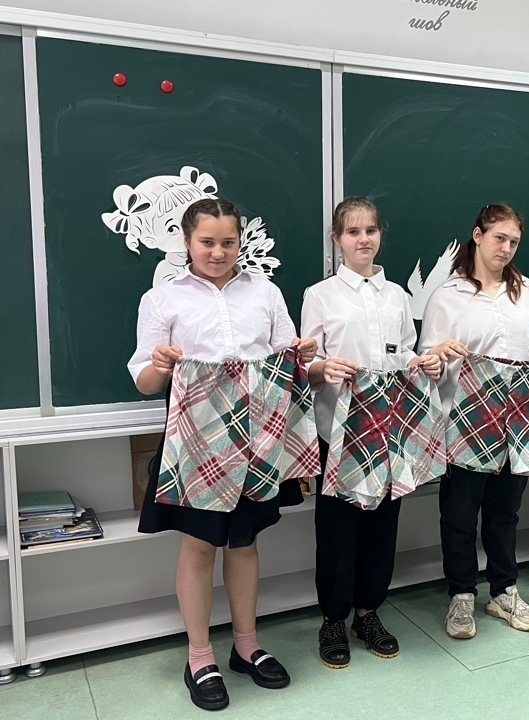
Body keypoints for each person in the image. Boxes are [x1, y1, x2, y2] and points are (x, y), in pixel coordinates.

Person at [128, 198, 318, 711]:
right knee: (198, 548)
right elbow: (144, 380)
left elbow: (290, 360)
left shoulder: (266, 292)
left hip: (258, 441)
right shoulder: (162, 298)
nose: (218, 252)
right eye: (207, 242)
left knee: (244, 542)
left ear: (240, 242)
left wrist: (304, 355)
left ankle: (246, 646)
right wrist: (161, 365)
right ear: (187, 242)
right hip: (196, 442)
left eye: (228, 242)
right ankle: (199, 657)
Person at [419, 203, 529, 639]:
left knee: (505, 513)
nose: (506, 248)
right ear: (477, 235)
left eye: (514, 242)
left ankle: (503, 590)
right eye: (499, 238)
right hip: (463, 424)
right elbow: (426, 360)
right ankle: (461, 594)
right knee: (459, 514)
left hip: (518, 426)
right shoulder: (447, 295)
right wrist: (438, 354)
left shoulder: (527, 291)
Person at [301, 197, 442, 669]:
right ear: (337, 239)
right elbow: (307, 363)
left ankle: (368, 612)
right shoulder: (320, 295)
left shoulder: (397, 296)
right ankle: (333, 618)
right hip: (338, 431)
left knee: (382, 526)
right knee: (338, 530)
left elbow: (404, 353)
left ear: (381, 234)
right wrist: (323, 368)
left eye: (371, 230)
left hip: (390, 429)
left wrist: (422, 362)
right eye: (352, 231)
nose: (363, 239)